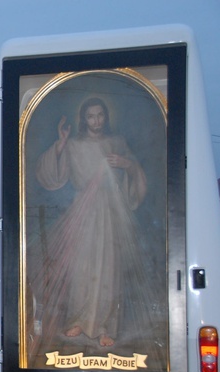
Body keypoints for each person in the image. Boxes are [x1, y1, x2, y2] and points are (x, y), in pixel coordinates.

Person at [31, 97, 147, 350]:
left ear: (106, 117)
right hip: (82, 211)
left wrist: (127, 165)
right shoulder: (73, 145)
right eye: (91, 116)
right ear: (84, 119)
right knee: (80, 267)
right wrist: (60, 144)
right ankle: (79, 320)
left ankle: (105, 327)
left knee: (108, 268)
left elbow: (134, 173)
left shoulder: (117, 143)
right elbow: (51, 177)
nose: (96, 121)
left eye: (100, 115)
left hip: (111, 212)